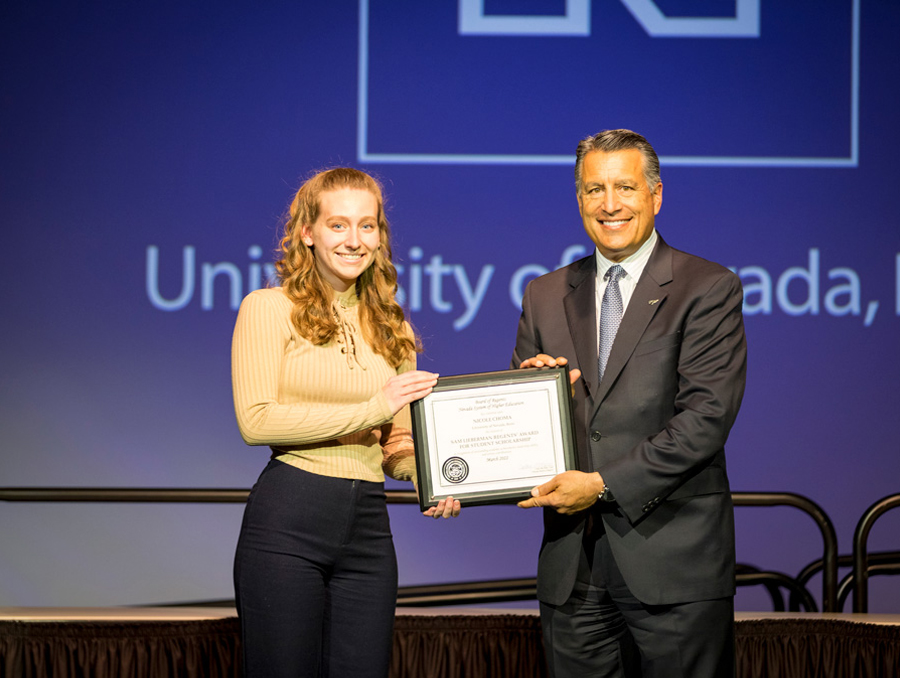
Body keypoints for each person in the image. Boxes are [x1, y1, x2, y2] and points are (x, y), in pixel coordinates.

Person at [513, 130, 747, 678]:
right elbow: (528, 432)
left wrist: (600, 484)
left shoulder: (706, 287)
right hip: (574, 567)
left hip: (674, 563)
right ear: (579, 200)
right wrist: (530, 397)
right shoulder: (544, 294)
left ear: (656, 195)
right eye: (594, 189)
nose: (610, 204)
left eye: (625, 187)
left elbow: (705, 419)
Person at [231, 167, 460, 678]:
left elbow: (396, 442)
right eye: (338, 225)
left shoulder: (392, 321)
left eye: (367, 225)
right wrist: (372, 408)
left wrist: (434, 478)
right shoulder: (268, 309)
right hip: (288, 523)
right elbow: (255, 421)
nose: (354, 240)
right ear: (307, 233)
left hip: (368, 532)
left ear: (381, 236)